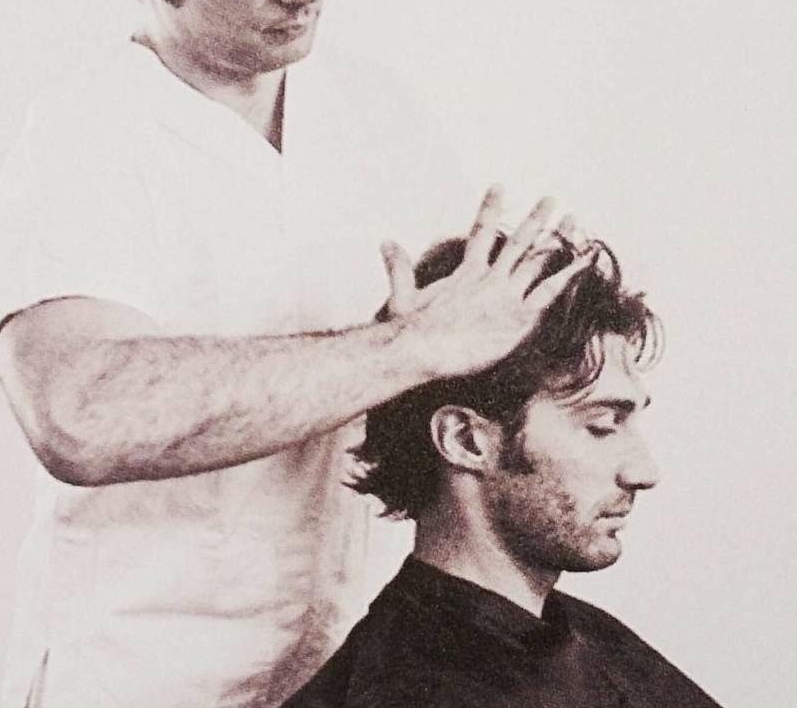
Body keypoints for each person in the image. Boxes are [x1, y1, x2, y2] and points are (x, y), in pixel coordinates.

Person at [0, 0, 591, 706]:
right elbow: (83, 414)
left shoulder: (378, 116)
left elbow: (467, 365)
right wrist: (408, 344)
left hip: (358, 673)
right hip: (144, 680)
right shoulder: (83, 139)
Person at [284, 235, 724, 708]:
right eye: (601, 426)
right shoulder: (405, 690)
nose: (644, 471)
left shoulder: (585, 636)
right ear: (466, 440)